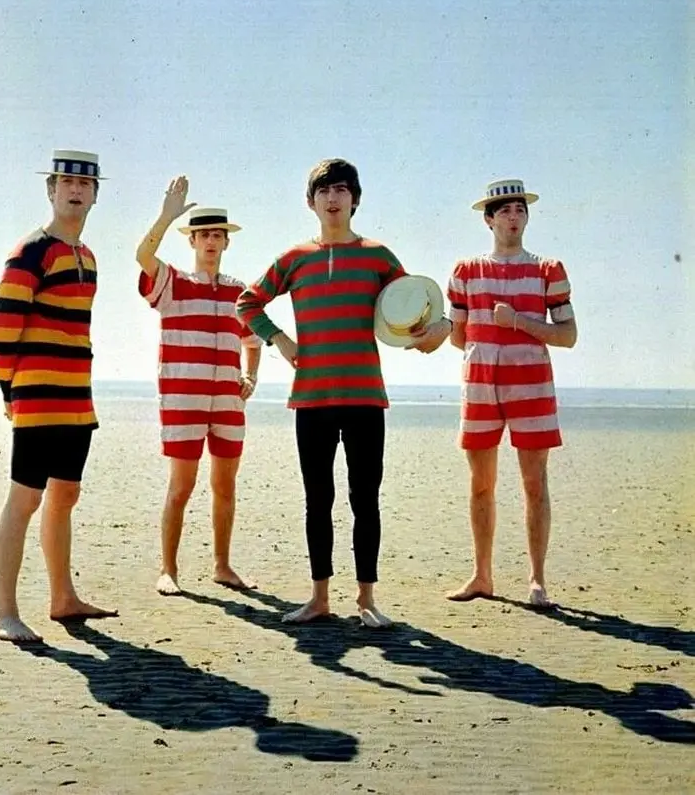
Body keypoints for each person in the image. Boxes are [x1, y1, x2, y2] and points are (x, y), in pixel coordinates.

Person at [236, 158, 451, 627]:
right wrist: (280, 339)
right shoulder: (294, 258)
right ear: (310, 201)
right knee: (318, 500)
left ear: (355, 198)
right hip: (311, 398)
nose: (332, 198)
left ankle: (366, 599)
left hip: (364, 396)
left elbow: (414, 313)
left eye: (341, 189)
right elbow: (247, 302)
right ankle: (319, 598)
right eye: (324, 191)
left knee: (365, 498)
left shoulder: (378, 256)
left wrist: (440, 327)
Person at [0, 149, 118, 643]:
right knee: (25, 498)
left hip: (77, 399)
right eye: (65, 182)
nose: (75, 190)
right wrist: (8, 390)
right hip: (38, 397)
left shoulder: (87, 257)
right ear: (51, 190)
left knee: (66, 494)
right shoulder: (31, 251)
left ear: (95, 195)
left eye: (85, 185)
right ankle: (4, 613)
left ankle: (63, 599)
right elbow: (1, 329)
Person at [445, 178, 578, 607]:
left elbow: (568, 335)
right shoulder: (466, 270)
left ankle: (537, 580)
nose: (512, 216)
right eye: (503, 210)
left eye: (519, 209)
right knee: (480, 483)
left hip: (532, 384)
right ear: (489, 219)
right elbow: (456, 335)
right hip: (481, 384)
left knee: (533, 483)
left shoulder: (548, 270)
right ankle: (482, 576)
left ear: (527, 216)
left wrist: (518, 322)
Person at [136, 176, 262, 596]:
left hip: (227, 400)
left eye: (217, 235)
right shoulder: (173, 283)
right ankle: (168, 569)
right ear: (192, 241)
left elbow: (252, 339)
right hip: (182, 400)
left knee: (225, 486)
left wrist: (251, 376)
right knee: (181, 487)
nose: (211, 241)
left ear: (226, 242)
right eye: (204, 234)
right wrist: (168, 215)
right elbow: (142, 255)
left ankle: (222, 566)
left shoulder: (238, 292)